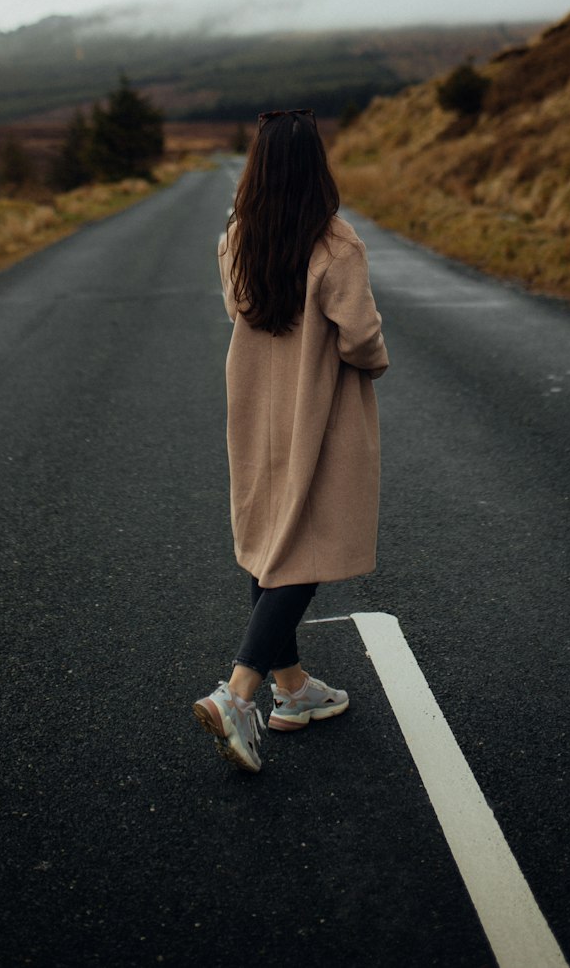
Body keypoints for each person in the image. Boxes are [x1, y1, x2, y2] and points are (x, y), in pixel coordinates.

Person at [193, 108, 389, 773]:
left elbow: (236, 307)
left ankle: (293, 691)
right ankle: (240, 690)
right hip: (318, 413)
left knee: (270, 541)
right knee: (302, 549)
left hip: (255, 405)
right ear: (317, 168)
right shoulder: (335, 244)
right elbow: (360, 336)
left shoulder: (236, 237)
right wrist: (371, 364)